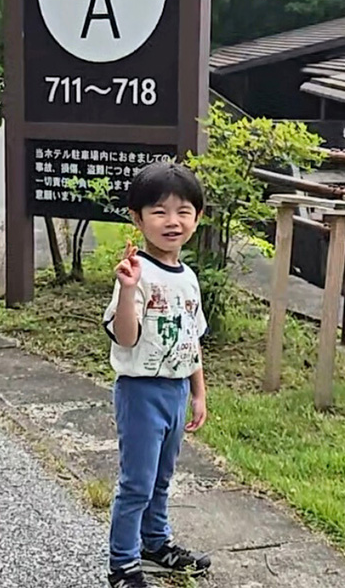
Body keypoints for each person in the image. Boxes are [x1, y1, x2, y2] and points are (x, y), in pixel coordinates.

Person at [101, 161, 212, 588]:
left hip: (177, 391)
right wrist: (128, 290)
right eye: (159, 211)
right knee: (137, 483)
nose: (172, 221)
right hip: (141, 392)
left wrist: (197, 392)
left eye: (183, 211)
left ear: (197, 218)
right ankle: (123, 564)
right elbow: (125, 338)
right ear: (137, 218)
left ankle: (155, 542)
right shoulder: (137, 274)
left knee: (162, 478)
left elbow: (192, 338)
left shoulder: (189, 278)